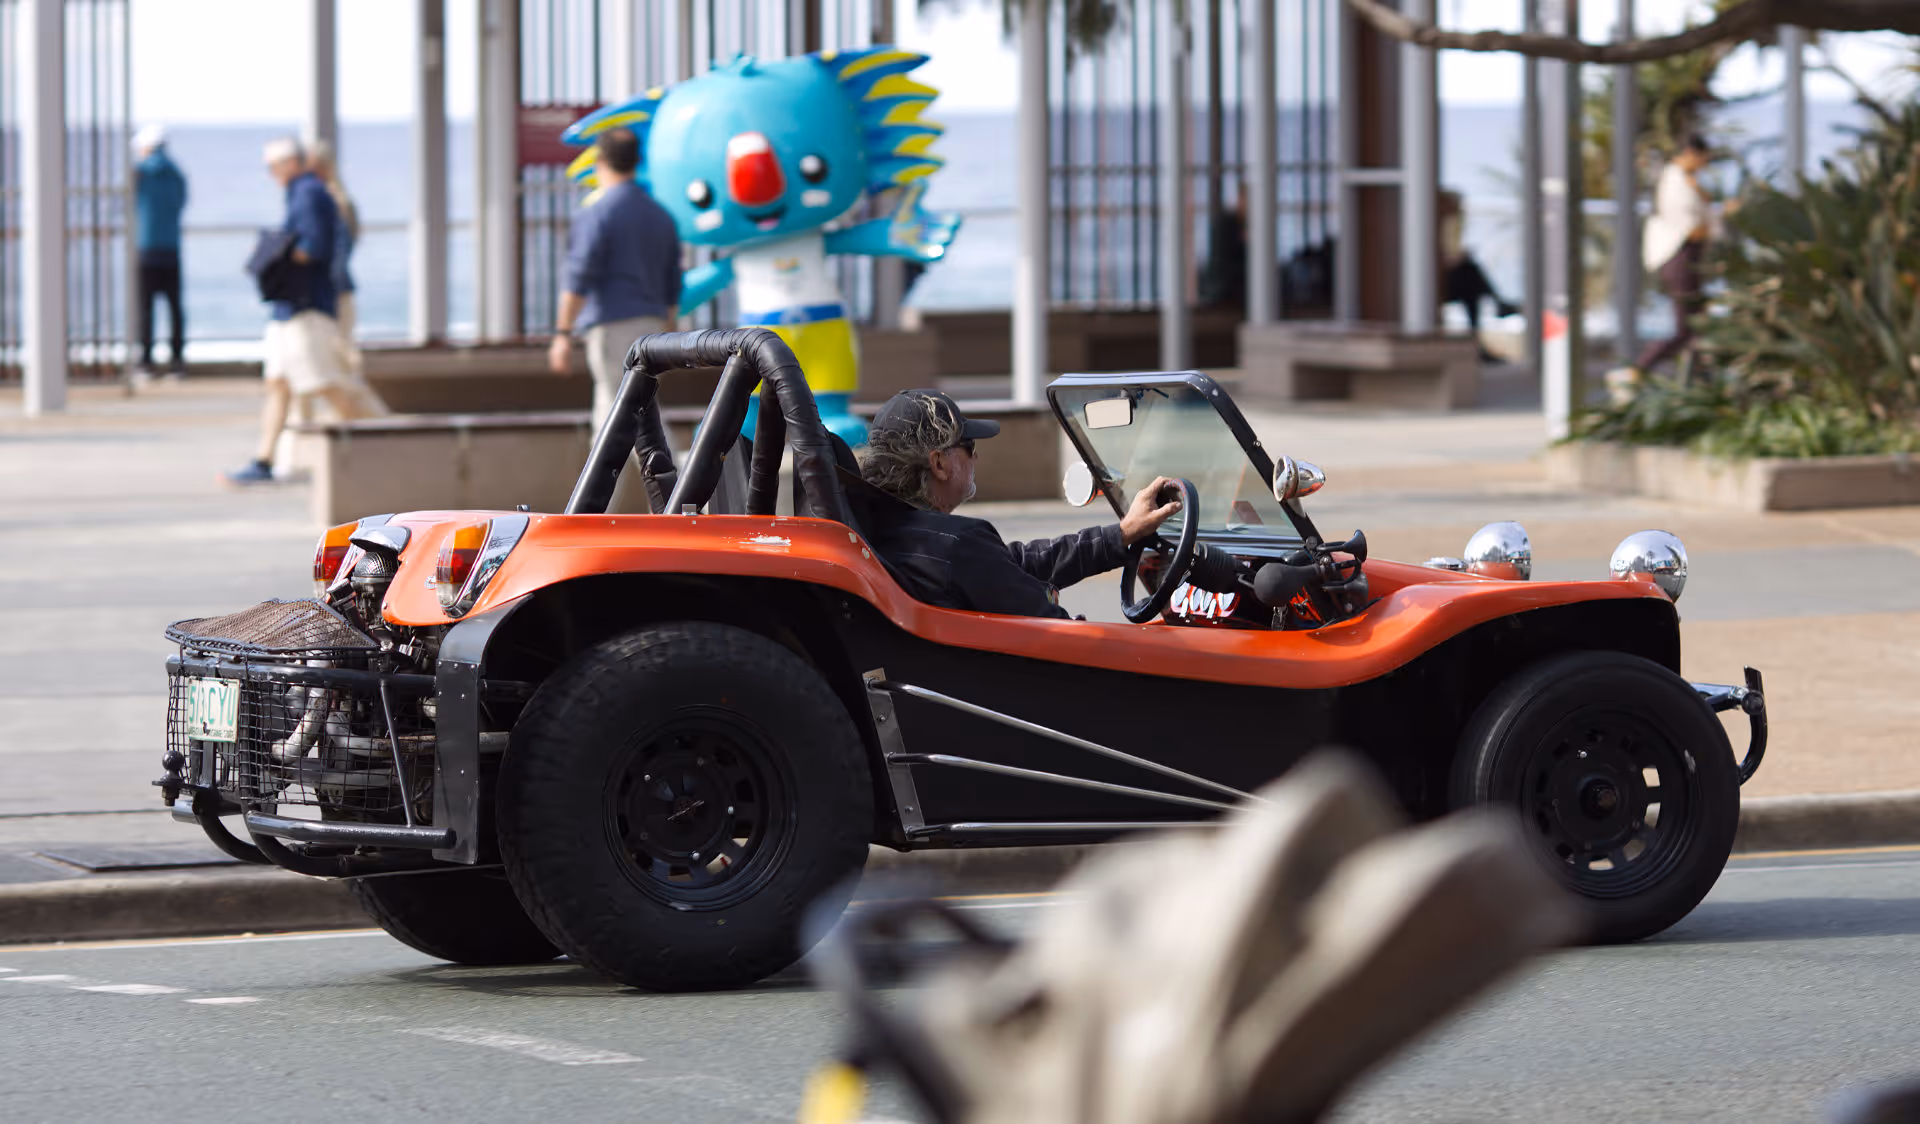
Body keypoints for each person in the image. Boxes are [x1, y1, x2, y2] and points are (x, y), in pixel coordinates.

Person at [858, 389, 1183, 619]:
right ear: (938, 464)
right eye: (967, 445)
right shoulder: (959, 544)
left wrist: (1123, 533)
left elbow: (1011, 564)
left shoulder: (876, 531)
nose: (976, 455)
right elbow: (1055, 629)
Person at [227, 137, 377, 485]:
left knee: (326, 384)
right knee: (278, 384)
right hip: (291, 309)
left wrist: (275, 254)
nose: (270, 175)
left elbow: (315, 248)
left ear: (291, 163)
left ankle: (384, 441)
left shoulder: (309, 193)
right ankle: (263, 460)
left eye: (273, 167)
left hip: (305, 308)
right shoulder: (307, 193)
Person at [548, 127, 682, 430]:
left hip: (612, 325)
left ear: (600, 162)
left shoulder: (597, 214)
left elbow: (578, 275)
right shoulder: (660, 216)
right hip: (653, 326)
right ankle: (599, 479)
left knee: (629, 415)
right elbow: (673, 279)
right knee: (614, 411)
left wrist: (562, 333)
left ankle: (677, 479)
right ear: (637, 161)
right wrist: (669, 326)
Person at [1612, 134, 1718, 398]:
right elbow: (1691, 227)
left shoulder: (1685, 180)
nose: (1704, 163)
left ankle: (1699, 382)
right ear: (1691, 153)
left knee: (1696, 325)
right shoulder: (1675, 181)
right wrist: (1718, 217)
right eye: (1703, 157)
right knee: (1686, 328)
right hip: (1680, 258)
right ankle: (1636, 370)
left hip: (1687, 258)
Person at [304, 138, 365, 384]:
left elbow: (339, 251)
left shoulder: (327, 201)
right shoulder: (341, 199)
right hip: (339, 287)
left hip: (331, 290)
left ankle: (359, 410)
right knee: (341, 350)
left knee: (338, 351)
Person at [132, 124, 188, 376]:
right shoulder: (177, 174)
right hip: (171, 248)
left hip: (145, 248)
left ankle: (145, 362)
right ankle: (177, 361)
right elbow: (182, 203)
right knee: (175, 308)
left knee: (145, 308)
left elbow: (126, 202)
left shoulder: (140, 173)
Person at [1440, 189, 1520, 363]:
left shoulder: (1451, 224)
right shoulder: (1425, 226)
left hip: (1450, 281)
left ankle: (1477, 340)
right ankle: (1498, 305)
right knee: (1470, 274)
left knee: (1470, 276)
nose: (1459, 210)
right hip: (1435, 285)